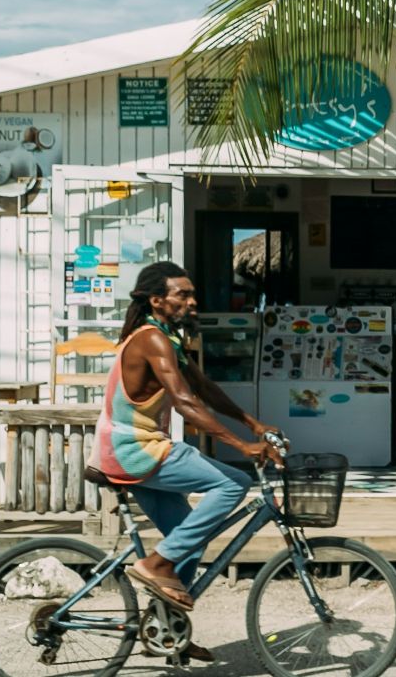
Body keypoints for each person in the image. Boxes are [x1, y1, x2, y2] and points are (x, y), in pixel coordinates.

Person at [92, 261, 283, 653]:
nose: (193, 302)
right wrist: (242, 446)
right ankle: (155, 566)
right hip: (136, 450)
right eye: (183, 294)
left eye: (192, 294)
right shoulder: (151, 339)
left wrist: (254, 424)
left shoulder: (168, 339)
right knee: (235, 482)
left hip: (135, 451)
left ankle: (164, 631)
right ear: (157, 300)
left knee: (189, 542)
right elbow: (184, 402)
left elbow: (203, 388)